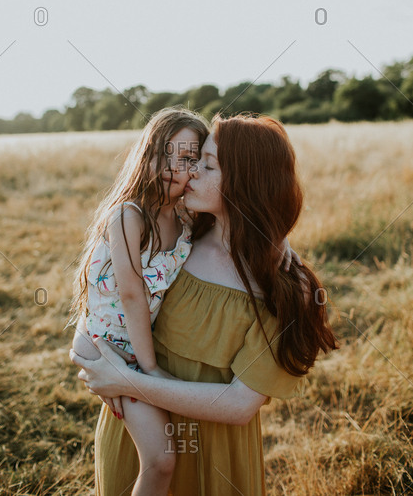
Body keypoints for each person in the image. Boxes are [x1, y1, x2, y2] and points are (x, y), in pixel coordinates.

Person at [70, 114, 338, 495]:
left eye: (206, 164)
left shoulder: (283, 287)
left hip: (216, 452)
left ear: (246, 182)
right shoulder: (185, 232)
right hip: (137, 433)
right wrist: (90, 349)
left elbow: (239, 405)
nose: (190, 173)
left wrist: (129, 380)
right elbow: (113, 294)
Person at [69, 107, 209, 496]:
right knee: (162, 458)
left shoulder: (184, 218)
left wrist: (282, 244)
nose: (173, 166)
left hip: (134, 345)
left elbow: (242, 216)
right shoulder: (129, 215)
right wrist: (148, 373)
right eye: (165, 152)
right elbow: (131, 294)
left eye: (187, 158)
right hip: (112, 349)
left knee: (164, 457)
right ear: (145, 154)